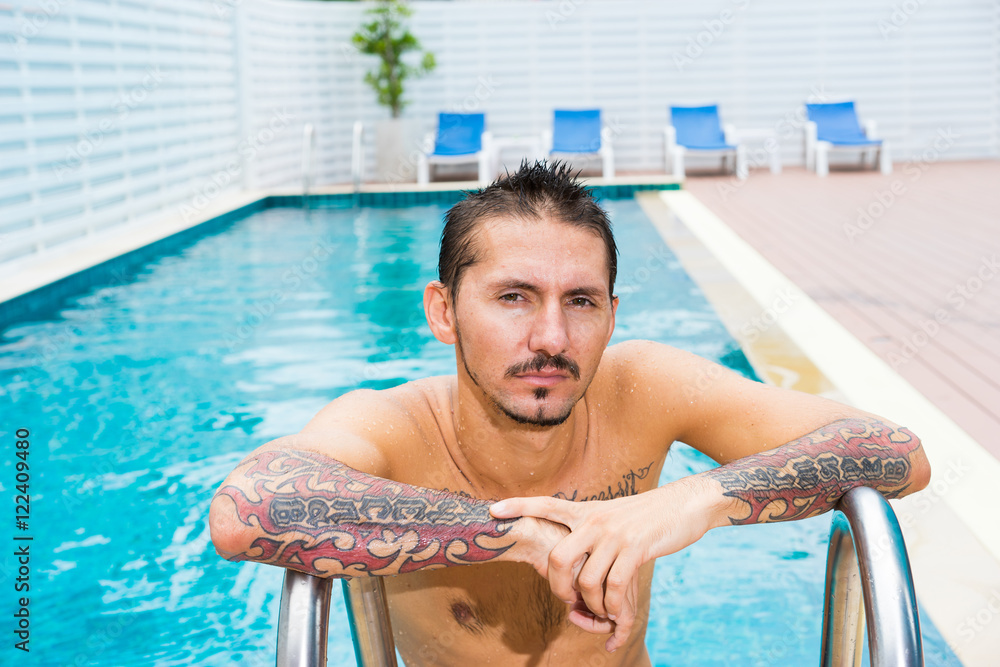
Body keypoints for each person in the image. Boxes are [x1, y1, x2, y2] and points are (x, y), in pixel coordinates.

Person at [209, 160, 931, 666]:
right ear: (444, 312)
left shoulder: (648, 388)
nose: (552, 338)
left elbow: (896, 450)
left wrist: (700, 497)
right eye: (513, 296)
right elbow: (249, 509)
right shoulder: (394, 429)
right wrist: (519, 533)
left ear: (611, 316)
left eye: (580, 301)